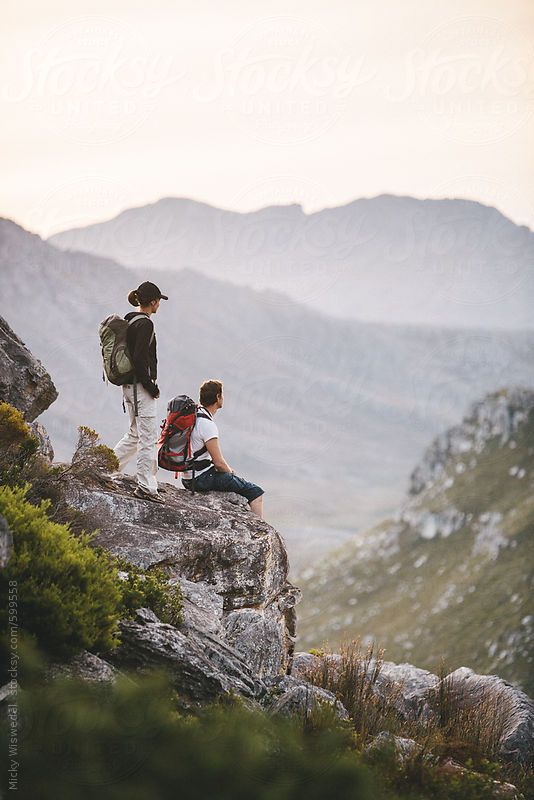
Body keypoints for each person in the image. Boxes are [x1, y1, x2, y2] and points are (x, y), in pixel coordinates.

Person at [113, 281, 168, 504]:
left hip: (129, 387)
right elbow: (139, 358)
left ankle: (104, 467)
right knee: (147, 438)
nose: (158, 305)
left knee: (135, 434)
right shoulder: (145, 324)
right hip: (140, 388)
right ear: (153, 302)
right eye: (158, 301)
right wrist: (151, 386)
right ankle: (146, 485)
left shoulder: (130, 320)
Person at [181, 380, 265, 518]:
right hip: (201, 479)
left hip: (188, 477)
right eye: (222, 395)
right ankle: (259, 531)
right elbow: (219, 463)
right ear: (218, 397)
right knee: (255, 492)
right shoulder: (207, 425)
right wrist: (231, 474)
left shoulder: (194, 417)